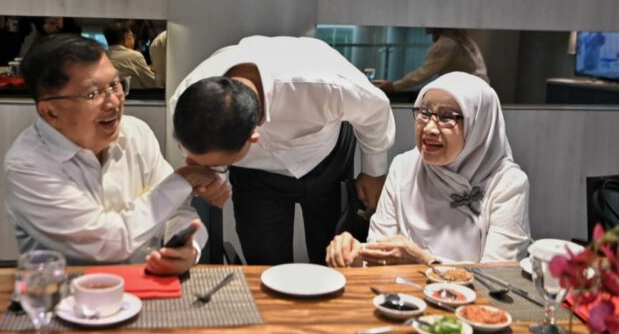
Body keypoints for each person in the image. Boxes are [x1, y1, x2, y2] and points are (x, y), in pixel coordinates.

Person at [4, 34, 229, 273]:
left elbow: (176, 210)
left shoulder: (135, 133)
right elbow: (109, 243)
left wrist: (187, 246)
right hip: (65, 297)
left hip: (145, 285)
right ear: (51, 113)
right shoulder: (27, 165)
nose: (113, 103)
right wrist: (185, 178)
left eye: (114, 85)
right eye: (92, 94)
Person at [170, 35, 395, 265]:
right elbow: (198, 155)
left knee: (336, 256)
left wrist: (373, 171)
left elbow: (375, 111)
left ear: (252, 138)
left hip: (327, 160)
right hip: (257, 178)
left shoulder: (323, 82)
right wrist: (209, 176)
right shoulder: (185, 102)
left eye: (220, 164)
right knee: (264, 262)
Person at [326, 72, 530, 267]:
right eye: (424, 113)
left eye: (447, 116)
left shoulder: (507, 184)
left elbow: (499, 277)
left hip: (470, 302)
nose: (429, 128)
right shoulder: (404, 167)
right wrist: (354, 255)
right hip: (401, 297)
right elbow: (380, 252)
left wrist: (425, 262)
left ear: (479, 125)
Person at [374, 28, 488, 93]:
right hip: (478, 88)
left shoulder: (447, 43)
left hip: (470, 90)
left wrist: (394, 86)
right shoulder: (460, 38)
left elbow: (423, 73)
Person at [103, 22, 158, 89]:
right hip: (134, 97)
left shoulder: (102, 56)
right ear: (127, 37)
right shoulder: (134, 56)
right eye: (132, 36)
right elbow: (152, 83)